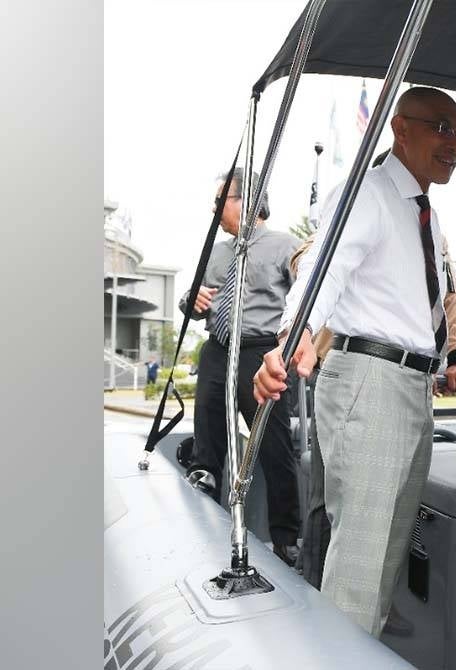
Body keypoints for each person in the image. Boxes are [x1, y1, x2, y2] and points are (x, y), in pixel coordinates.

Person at [252, 86, 456, 635]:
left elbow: (434, 299)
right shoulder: (367, 193)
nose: (454, 144)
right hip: (371, 381)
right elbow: (324, 266)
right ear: (400, 129)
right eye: (441, 128)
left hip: (411, 386)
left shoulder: (425, 214)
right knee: (360, 562)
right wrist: (293, 334)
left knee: (386, 556)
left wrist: (447, 354)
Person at [288, 233, 456, 594]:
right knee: (332, 498)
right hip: (351, 368)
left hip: (412, 376)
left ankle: (377, 604)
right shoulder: (354, 211)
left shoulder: (434, 233)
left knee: (394, 503)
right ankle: (312, 593)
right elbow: (305, 267)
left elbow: (450, 298)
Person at [178, 168, 302, 567]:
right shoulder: (215, 251)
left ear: (247, 200)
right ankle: (201, 529)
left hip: (260, 353)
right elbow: (190, 299)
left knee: (273, 445)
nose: (214, 208)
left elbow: (307, 293)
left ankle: (286, 539)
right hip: (216, 349)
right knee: (207, 444)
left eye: (221, 201)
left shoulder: (285, 246)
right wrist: (190, 298)